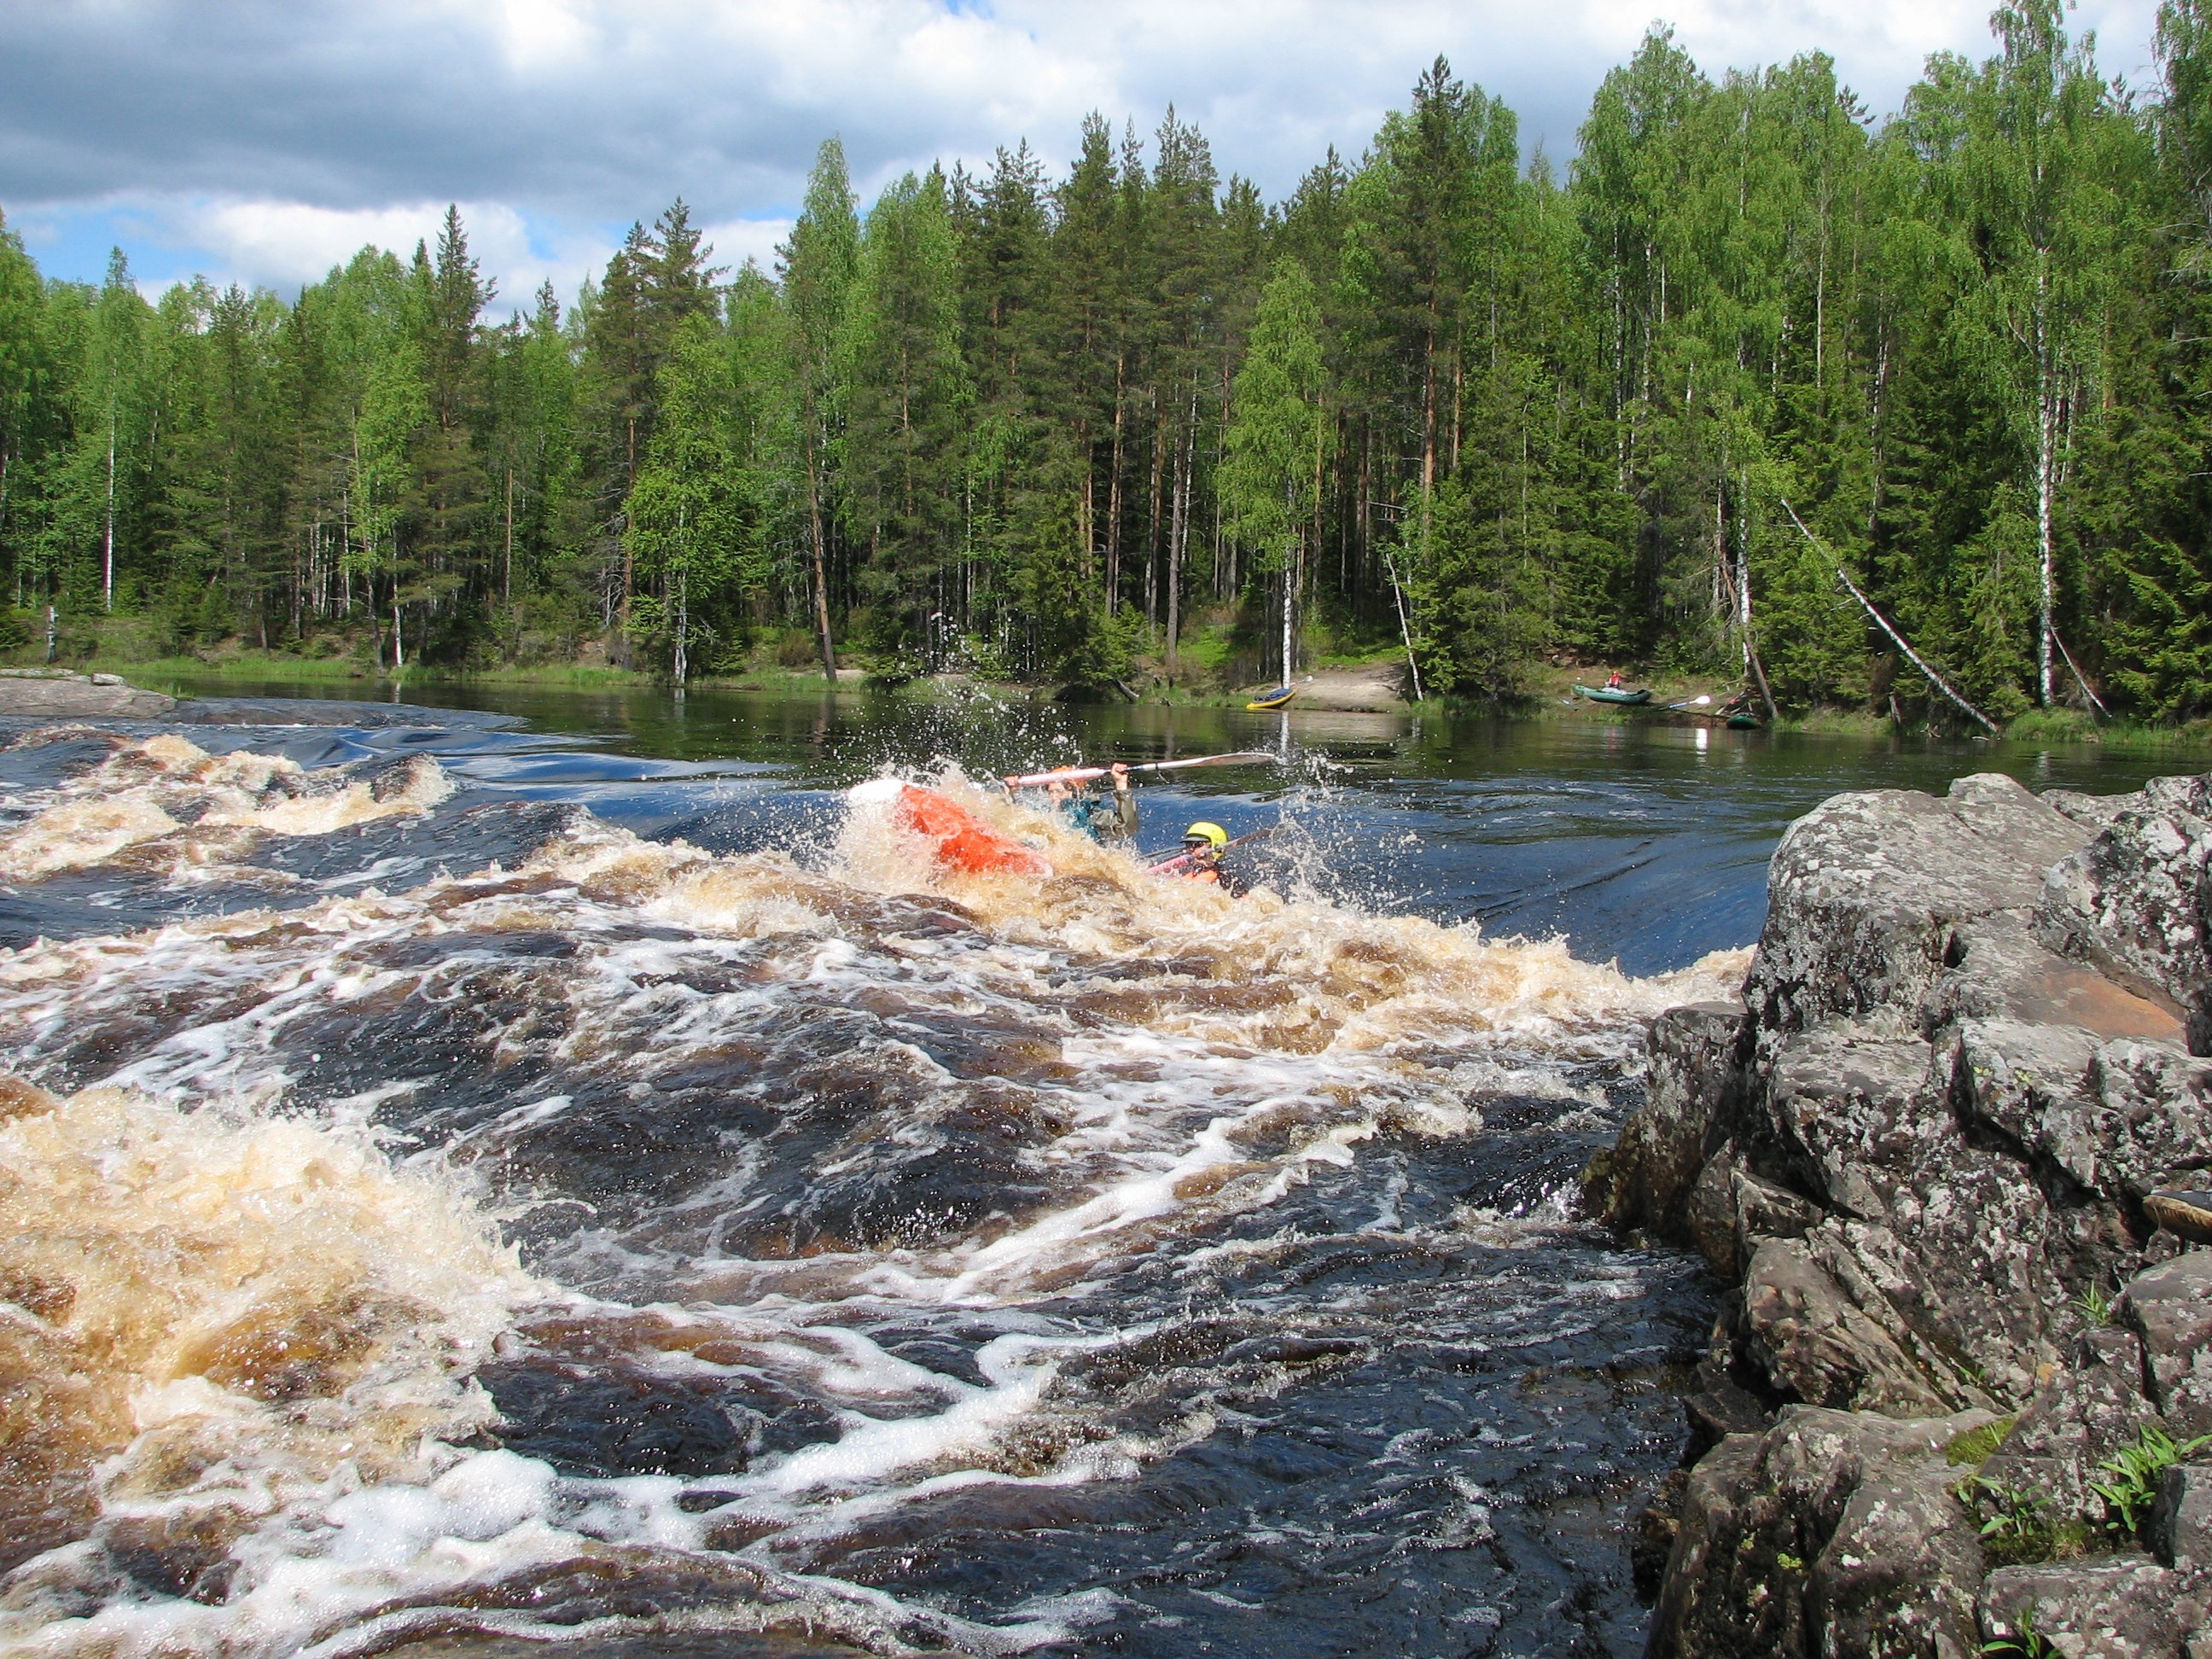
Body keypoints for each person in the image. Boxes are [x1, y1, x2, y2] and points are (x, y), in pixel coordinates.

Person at [1049, 761, 1136, 842]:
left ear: (1075, 793)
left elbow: (1126, 827)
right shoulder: (1047, 814)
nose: (1053, 797)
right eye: (1050, 792)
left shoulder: (1091, 813)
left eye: (1059, 792)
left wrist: (1121, 784)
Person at [1174, 821, 1244, 895]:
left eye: (1197, 844)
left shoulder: (1229, 883)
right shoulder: (1187, 874)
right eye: (1188, 845)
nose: (1191, 849)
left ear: (1218, 849)